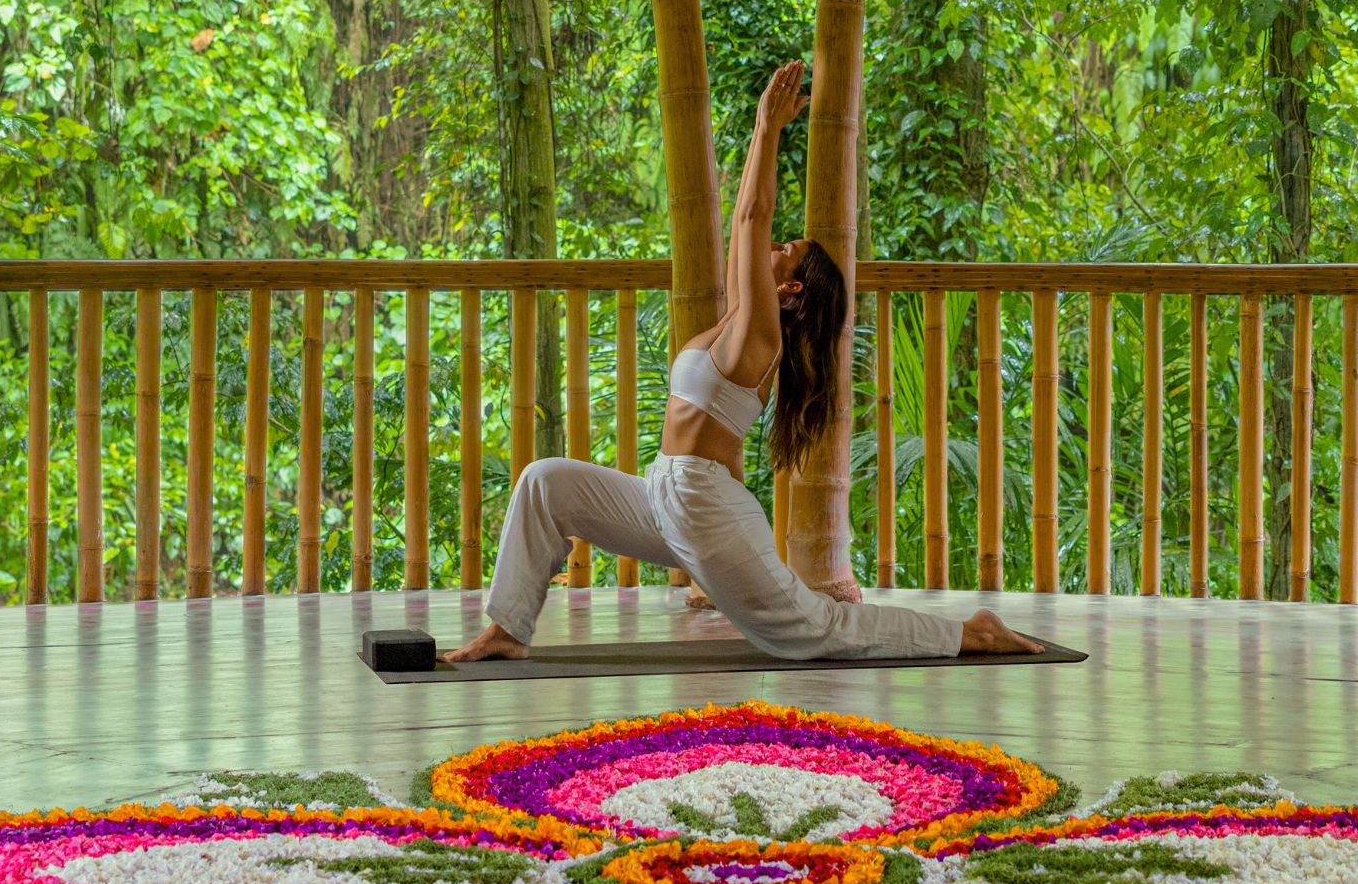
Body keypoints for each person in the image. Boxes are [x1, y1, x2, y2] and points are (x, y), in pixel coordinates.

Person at [444, 60, 1045, 664]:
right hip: (663, 493)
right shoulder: (737, 319)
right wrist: (763, 132)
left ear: (792, 289)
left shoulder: (762, 336)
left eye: (787, 250)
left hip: (705, 507)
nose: (772, 246)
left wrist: (768, 127)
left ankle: (971, 633)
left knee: (812, 630)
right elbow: (746, 230)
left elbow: (752, 217)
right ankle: (507, 631)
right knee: (544, 482)